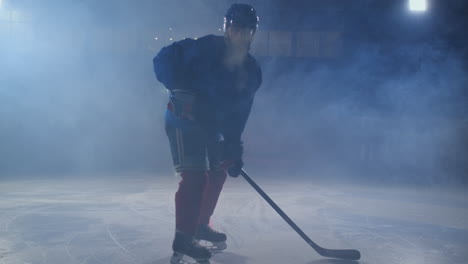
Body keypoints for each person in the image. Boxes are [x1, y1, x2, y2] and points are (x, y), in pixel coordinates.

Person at [153, 3, 262, 264]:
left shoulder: (252, 71)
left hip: (211, 127)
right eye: (236, 28)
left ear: (252, 33)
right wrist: (181, 91)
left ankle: (200, 224)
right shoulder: (203, 48)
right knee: (196, 178)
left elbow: (240, 113)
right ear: (227, 29)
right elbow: (162, 59)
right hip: (184, 121)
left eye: (246, 30)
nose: (240, 34)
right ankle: (184, 238)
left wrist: (234, 147)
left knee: (218, 170)